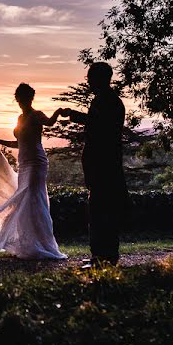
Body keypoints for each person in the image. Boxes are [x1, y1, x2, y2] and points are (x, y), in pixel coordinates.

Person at [0, 83, 67, 260]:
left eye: (23, 98)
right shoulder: (19, 118)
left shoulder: (36, 115)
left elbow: (50, 123)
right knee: (26, 199)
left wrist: (58, 112)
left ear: (30, 98)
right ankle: (27, 242)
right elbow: (18, 143)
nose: (20, 101)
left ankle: (42, 243)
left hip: (36, 162)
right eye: (18, 98)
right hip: (24, 162)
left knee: (32, 198)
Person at [60, 62, 129, 264]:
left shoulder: (106, 101)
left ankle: (102, 257)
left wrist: (72, 114)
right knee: (101, 209)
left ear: (100, 78)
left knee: (101, 210)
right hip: (104, 165)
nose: (88, 81)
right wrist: (73, 114)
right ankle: (102, 255)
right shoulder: (109, 101)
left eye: (90, 77)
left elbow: (96, 124)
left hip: (102, 167)